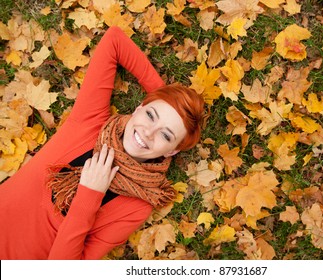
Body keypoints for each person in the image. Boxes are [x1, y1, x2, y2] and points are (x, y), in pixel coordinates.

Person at [0, 26, 204, 260]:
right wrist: (166, 97)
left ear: (172, 151)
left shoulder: (137, 206)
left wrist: (89, 197)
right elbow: (114, 41)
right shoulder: (91, 122)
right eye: (150, 115)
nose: (148, 132)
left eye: (166, 135)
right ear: (138, 109)